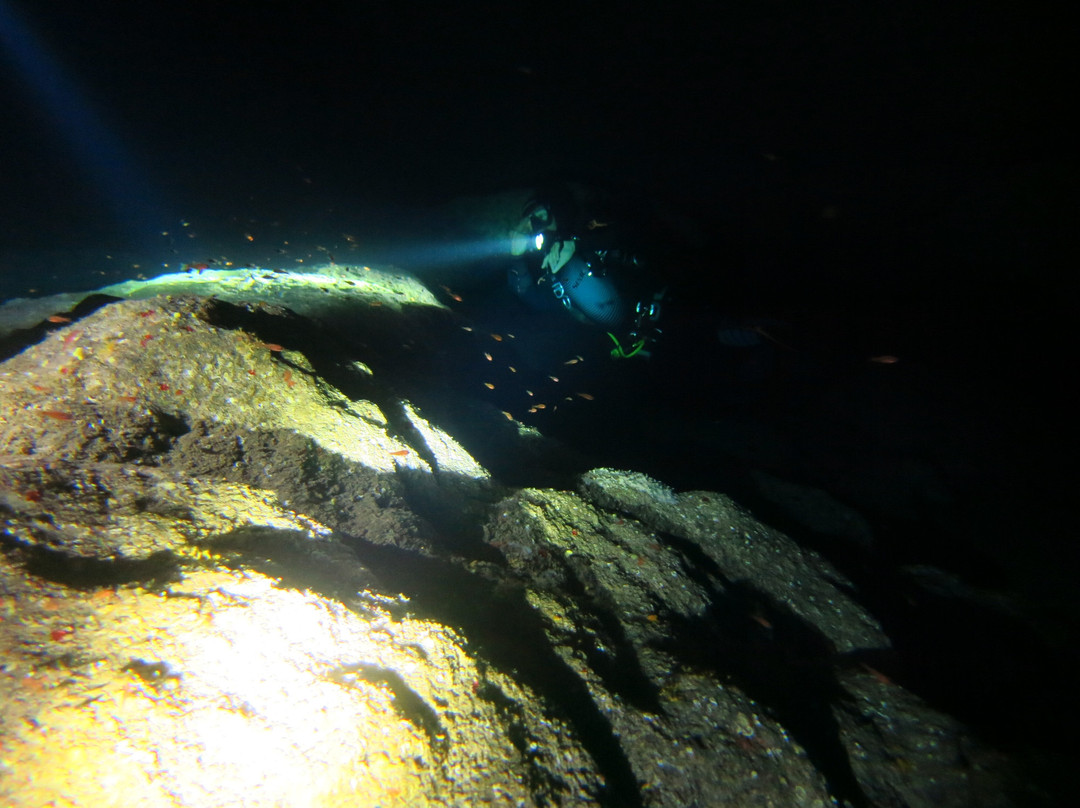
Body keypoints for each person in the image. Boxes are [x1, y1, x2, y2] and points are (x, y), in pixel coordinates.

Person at [506, 187, 666, 359]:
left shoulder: (589, 221)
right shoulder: (551, 272)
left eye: (541, 214)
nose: (537, 223)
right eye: (530, 222)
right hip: (634, 347)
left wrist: (577, 243)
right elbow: (530, 295)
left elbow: (635, 231)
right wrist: (516, 258)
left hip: (667, 300)